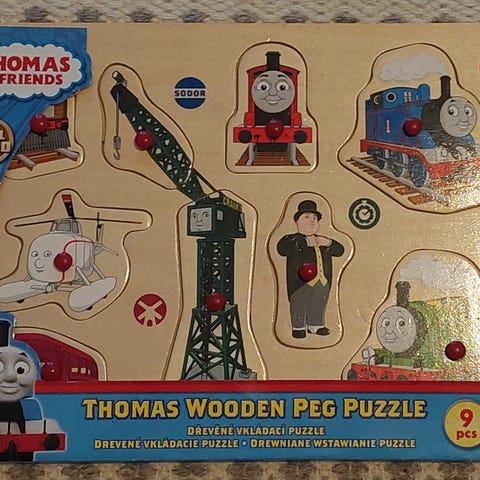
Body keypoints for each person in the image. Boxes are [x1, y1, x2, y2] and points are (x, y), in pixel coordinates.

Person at [277, 200, 344, 338]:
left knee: (319, 302)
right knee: (299, 303)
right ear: (297, 221)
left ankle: (315, 325)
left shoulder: (322, 241)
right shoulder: (294, 239)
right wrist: (305, 242)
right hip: (300, 282)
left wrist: (328, 242)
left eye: (315, 218)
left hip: (322, 280)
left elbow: (340, 251)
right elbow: (282, 248)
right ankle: (298, 327)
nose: (312, 221)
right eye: (307, 217)